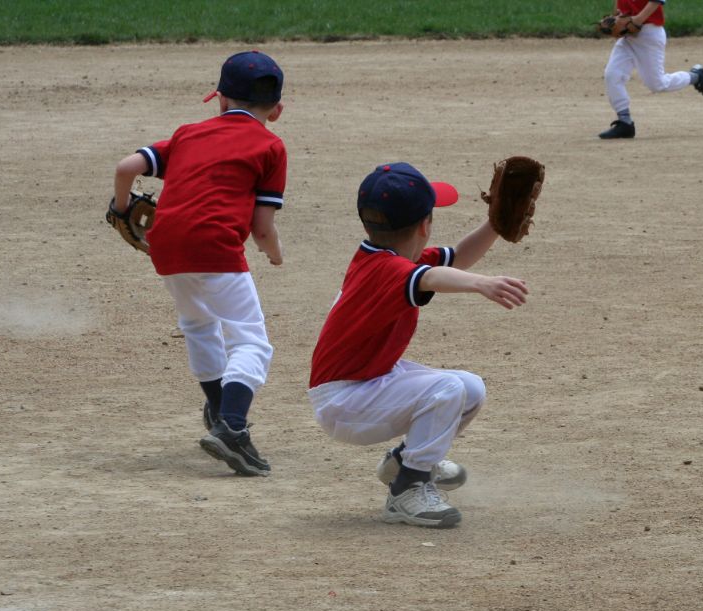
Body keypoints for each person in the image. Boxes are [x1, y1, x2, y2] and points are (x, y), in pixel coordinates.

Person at [307, 162, 529, 528]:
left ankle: (407, 461)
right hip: (343, 401)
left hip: (365, 384)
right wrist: (480, 283)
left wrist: (494, 225)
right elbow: (433, 277)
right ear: (425, 225)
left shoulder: (385, 257)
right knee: (447, 389)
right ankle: (408, 488)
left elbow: (454, 258)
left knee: (470, 388)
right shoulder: (389, 270)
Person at [110, 51, 288, 477]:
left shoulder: (188, 133)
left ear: (221, 101)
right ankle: (233, 427)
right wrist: (274, 253)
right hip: (217, 250)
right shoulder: (270, 145)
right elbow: (262, 228)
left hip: (166, 246)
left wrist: (121, 210)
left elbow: (127, 166)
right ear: (277, 111)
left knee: (199, 324)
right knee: (251, 343)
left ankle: (217, 408)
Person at [599, 0, 703, 139]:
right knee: (612, 75)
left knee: (657, 84)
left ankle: (696, 76)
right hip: (628, 36)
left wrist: (638, 19)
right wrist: (617, 16)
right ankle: (625, 123)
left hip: (649, 33)